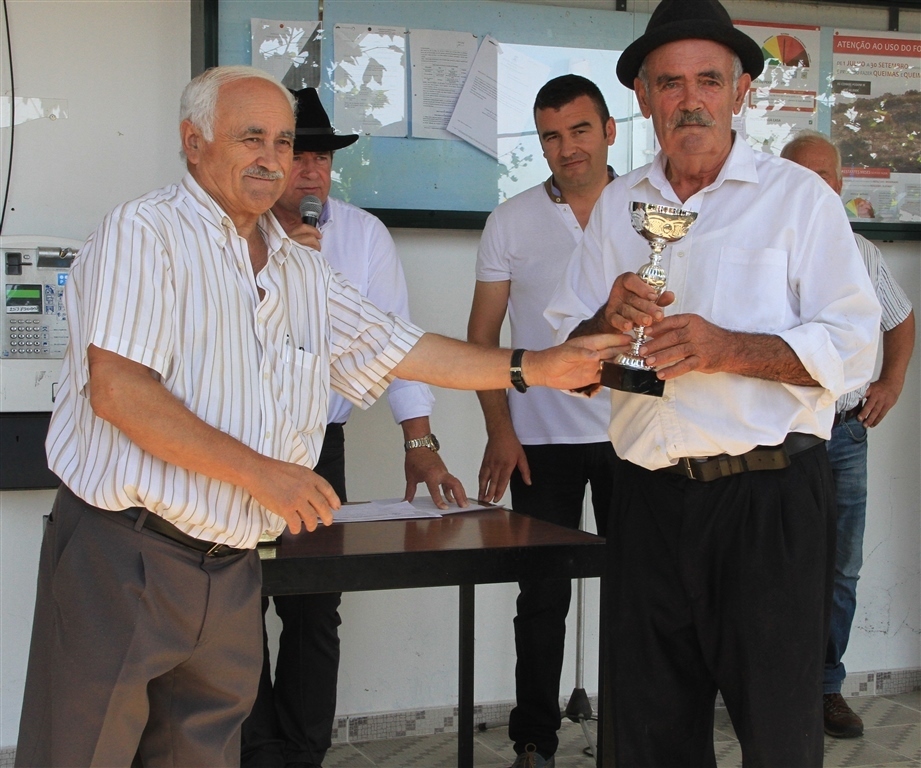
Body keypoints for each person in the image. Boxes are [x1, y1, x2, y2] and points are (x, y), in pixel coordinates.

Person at [14, 65, 624, 768]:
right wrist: (263, 474)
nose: (273, 158)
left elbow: (402, 348)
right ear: (193, 141)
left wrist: (537, 367)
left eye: (283, 141)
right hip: (128, 552)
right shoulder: (144, 233)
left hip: (230, 566)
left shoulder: (300, 268)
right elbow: (119, 391)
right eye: (251, 138)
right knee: (82, 753)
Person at [545, 1, 881, 765]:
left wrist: (728, 349)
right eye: (669, 83)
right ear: (642, 98)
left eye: (707, 80)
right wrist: (605, 316)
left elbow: (853, 348)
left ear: (740, 92)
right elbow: (569, 367)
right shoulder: (617, 207)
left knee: (777, 734)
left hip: (767, 501)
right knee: (646, 735)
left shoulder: (798, 199)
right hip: (644, 500)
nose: (688, 100)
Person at [241, 87, 467, 768]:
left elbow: (396, 345)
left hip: (318, 445)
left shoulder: (362, 236)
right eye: (296, 153)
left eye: (321, 157)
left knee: (314, 605)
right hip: (239, 446)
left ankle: (302, 752)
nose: (310, 170)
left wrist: (421, 443)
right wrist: (283, 268)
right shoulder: (231, 232)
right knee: (233, 602)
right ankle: (254, 752)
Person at [466, 74, 621, 768]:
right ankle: (534, 742)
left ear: (609, 131)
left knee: (640, 593)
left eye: (580, 130)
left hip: (635, 437)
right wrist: (501, 430)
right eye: (551, 136)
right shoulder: (511, 220)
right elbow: (481, 341)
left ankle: (631, 738)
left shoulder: (647, 206)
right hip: (540, 441)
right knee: (541, 597)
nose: (567, 147)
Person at [781, 130, 915, 739]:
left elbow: (900, 318)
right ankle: (769, 686)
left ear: (838, 185)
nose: (813, 187)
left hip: (842, 435)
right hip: (776, 436)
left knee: (839, 568)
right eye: (800, 175)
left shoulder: (862, 252)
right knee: (771, 562)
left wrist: (892, 382)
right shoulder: (768, 247)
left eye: (823, 177)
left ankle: (825, 688)